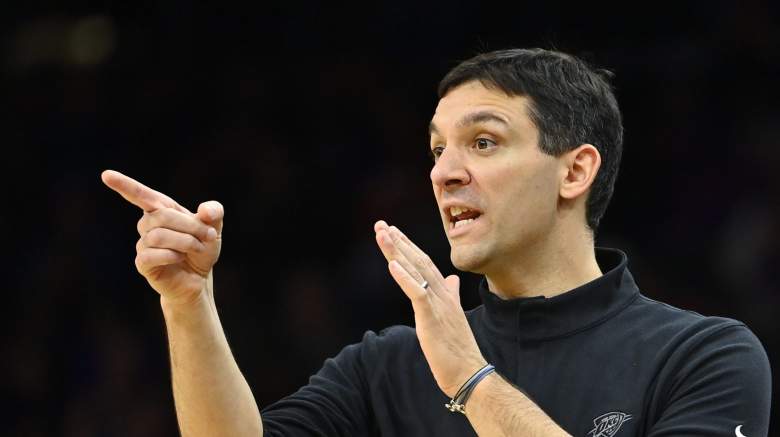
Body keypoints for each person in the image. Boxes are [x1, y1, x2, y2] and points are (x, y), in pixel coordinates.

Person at [101, 48, 771, 436]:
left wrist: (471, 379)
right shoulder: (388, 364)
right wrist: (188, 304)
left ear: (574, 171)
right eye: (436, 148)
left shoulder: (705, 356)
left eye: (483, 142)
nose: (443, 171)